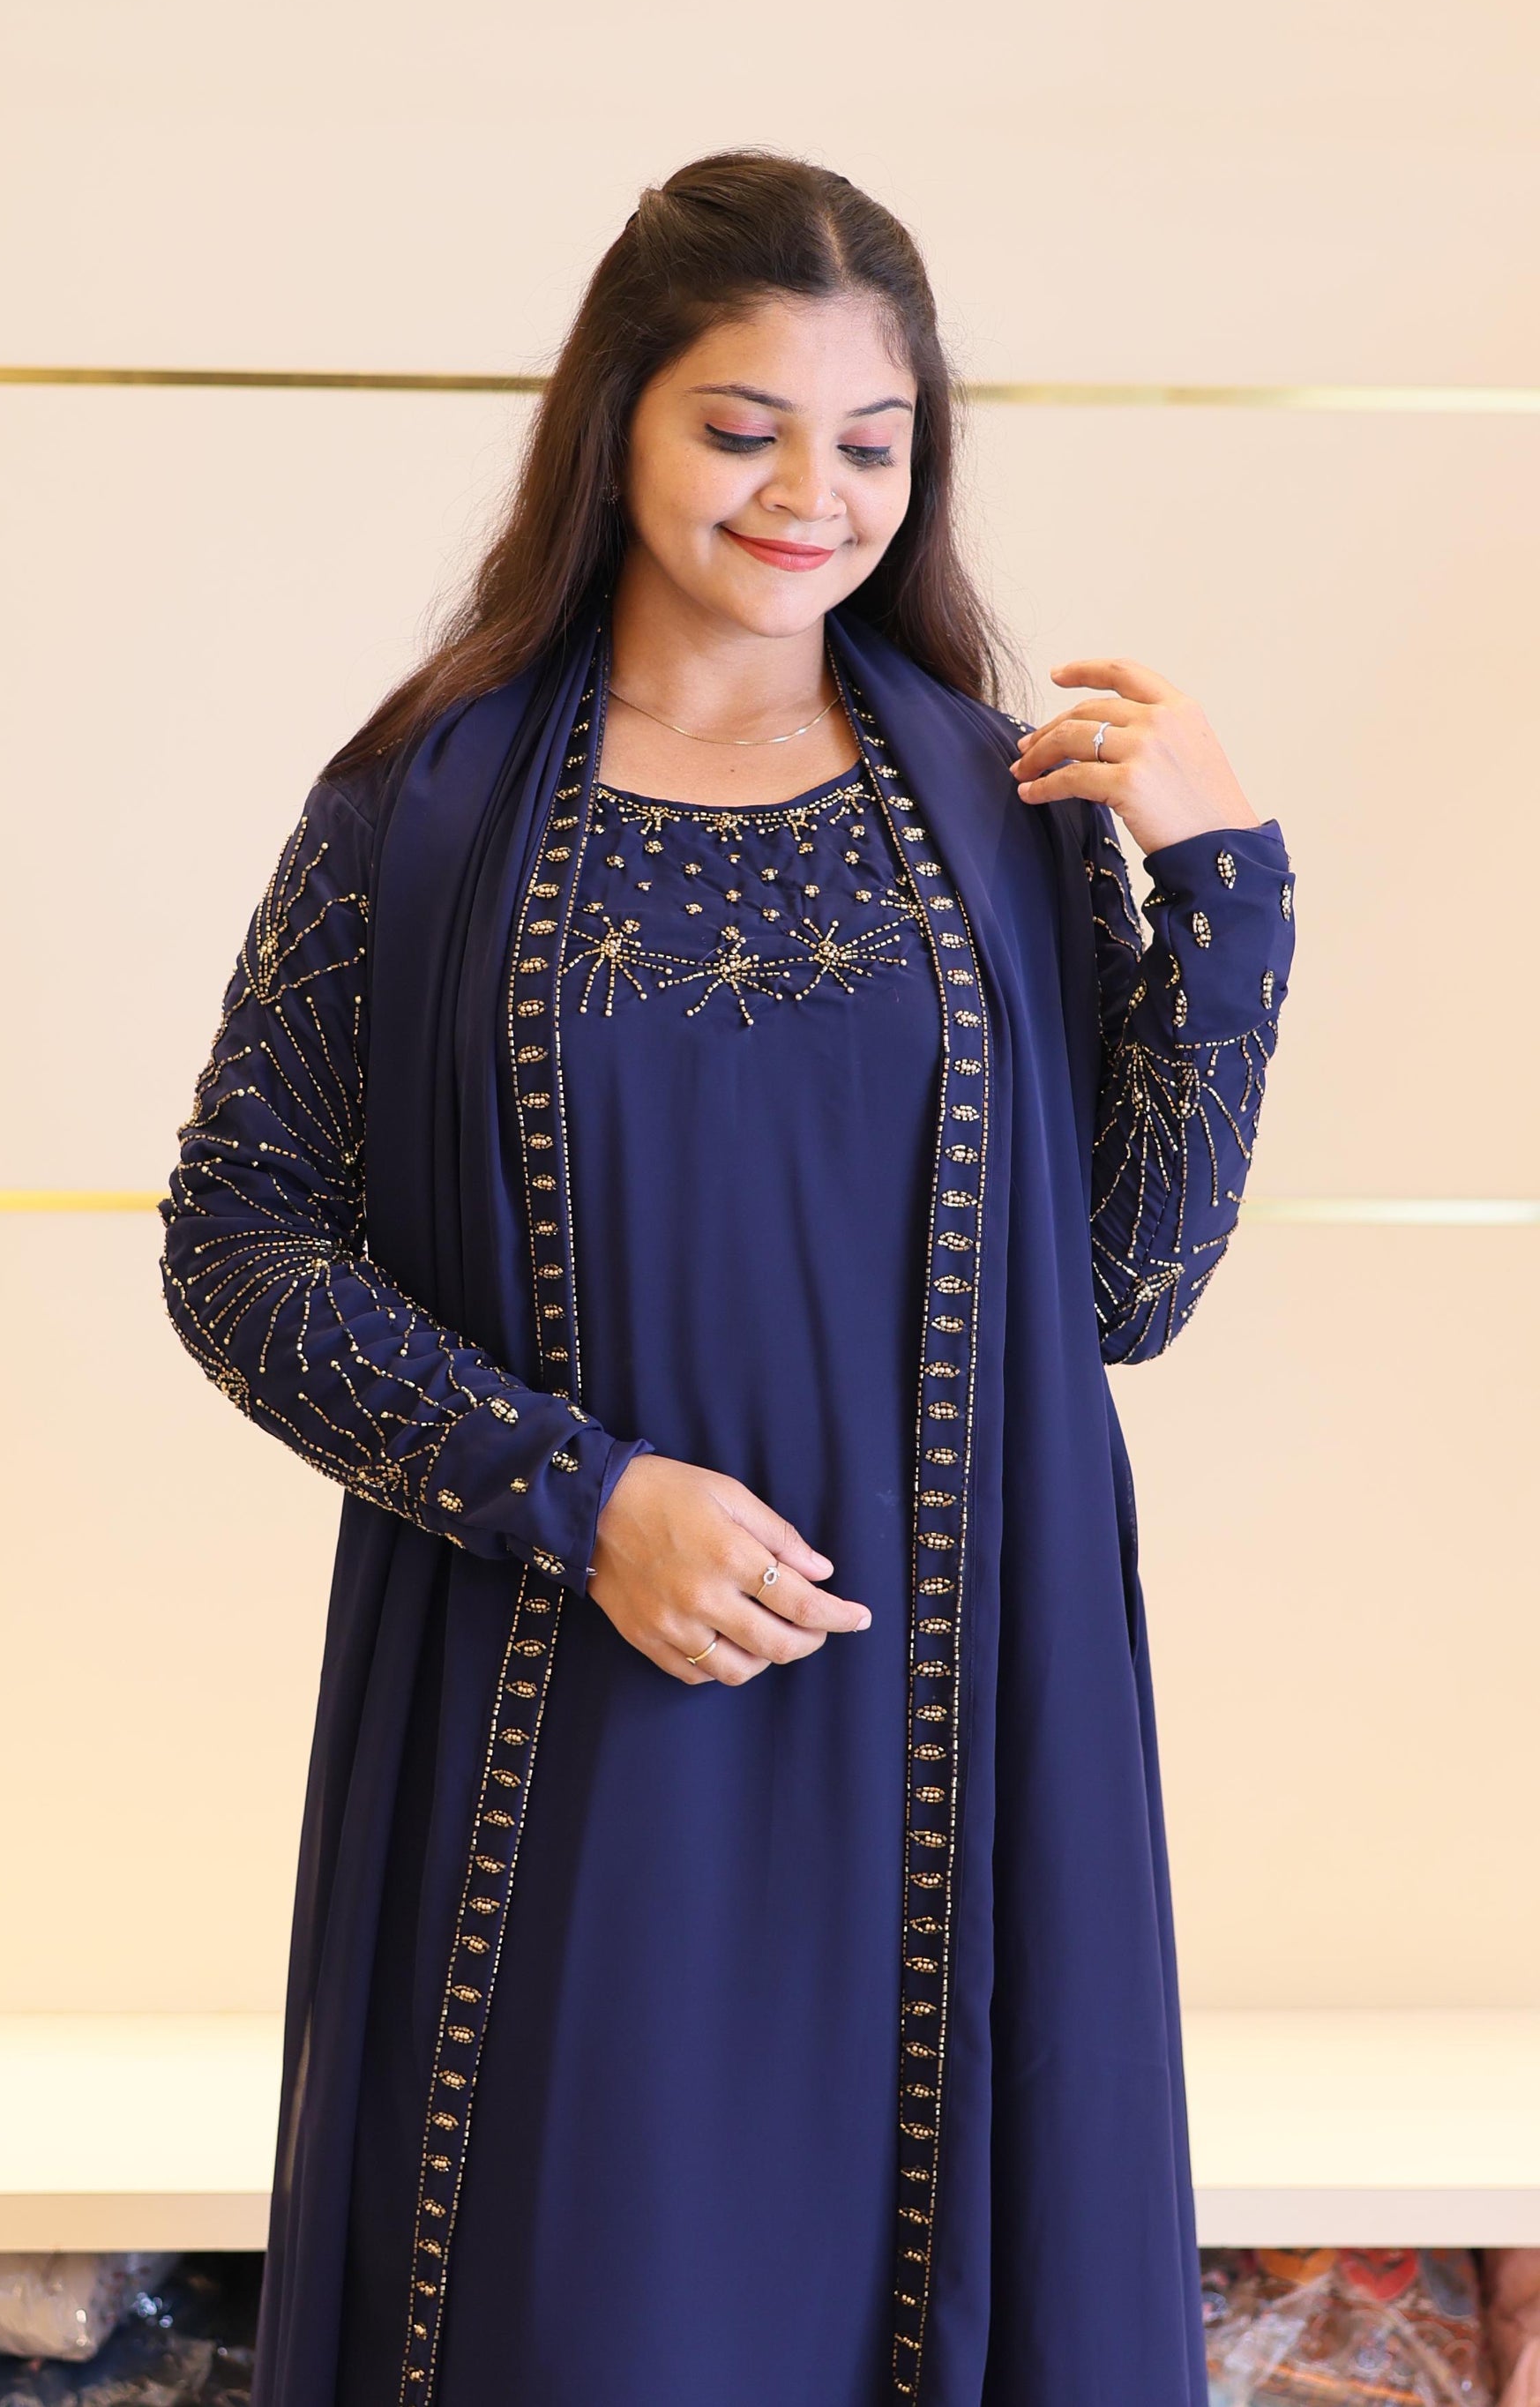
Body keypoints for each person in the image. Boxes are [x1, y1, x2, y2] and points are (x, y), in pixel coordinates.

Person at [160, 150, 1295, 2407]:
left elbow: (1122, 1284)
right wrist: (582, 1498)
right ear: (617, 421)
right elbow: (236, 1237)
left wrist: (1227, 895)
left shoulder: (999, 803)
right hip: (583, 1723)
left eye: (871, 441)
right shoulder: (417, 809)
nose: (811, 495)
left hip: (959, 1737)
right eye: (742, 426)